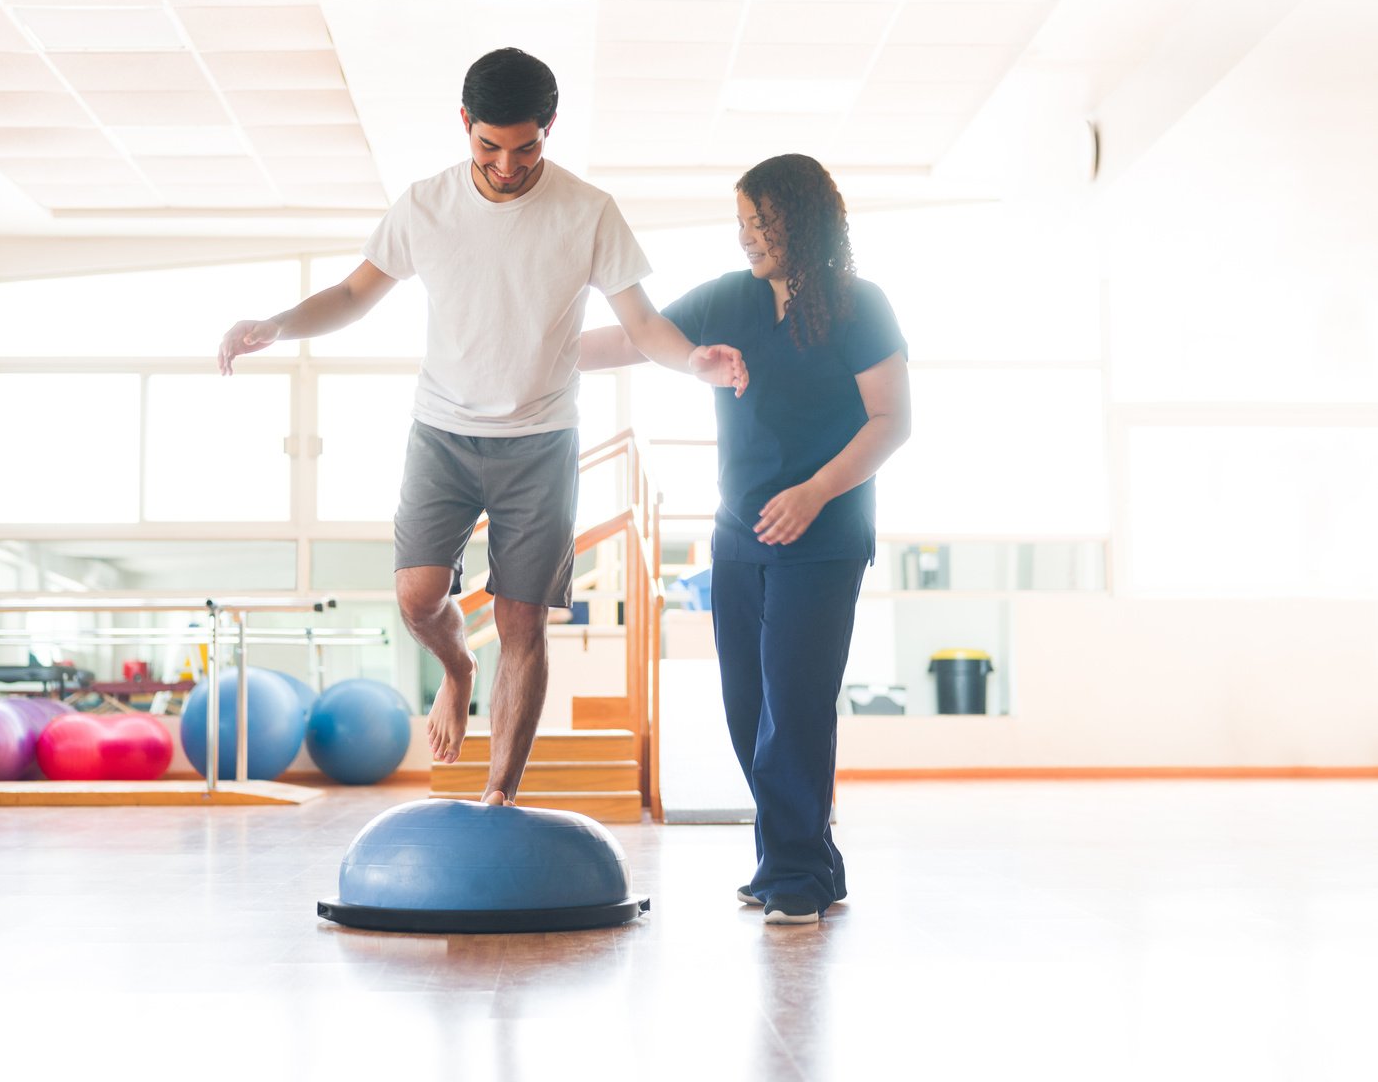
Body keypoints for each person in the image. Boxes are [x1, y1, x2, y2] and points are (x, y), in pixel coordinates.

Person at [218, 48, 747, 807]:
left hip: (541, 441)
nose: (506, 165)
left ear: (549, 130)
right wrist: (276, 323)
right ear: (464, 124)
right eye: (489, 146)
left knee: (523, 620)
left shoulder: (587, 212)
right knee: (416, 598)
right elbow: (352, 293)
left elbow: (642, 322)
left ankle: (499, 797)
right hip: (442, 432)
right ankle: (458, 669)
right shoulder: (425, 205)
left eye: (525, 147)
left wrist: (693, 361)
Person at [579, 153, 910, 924]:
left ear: (806, 222)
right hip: (739, 533)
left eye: (762, 223)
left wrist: (816, 491)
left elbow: (892, 420)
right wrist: (528, 350)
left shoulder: (861, 306)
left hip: (823, 534)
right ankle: (807, 862)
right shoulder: (730, 297)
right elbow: (637, 340)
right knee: (746, 707)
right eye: (741, 222)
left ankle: (792, 871)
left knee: (794, 706)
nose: (747, 238)